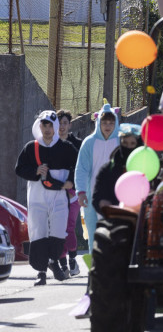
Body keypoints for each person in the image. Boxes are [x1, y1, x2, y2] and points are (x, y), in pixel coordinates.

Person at [15, 111, 78, 285]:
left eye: (51, 125)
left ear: (55, 126)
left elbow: (79, 167)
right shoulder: (30, 147)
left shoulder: (66, 148)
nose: (48, 129)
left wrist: (70, 182)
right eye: (44, 125)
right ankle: (41, 272)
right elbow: (19, 169)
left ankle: (54, 260)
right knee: (38, 232)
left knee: (58, 231)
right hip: (36, 197)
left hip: (58, 196)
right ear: (39, 126)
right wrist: (35, 171)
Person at [74, 104, 121, 252]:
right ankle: (95, 271)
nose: (108, 126)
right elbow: (81, 169)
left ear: (116, 123)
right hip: (91, 197)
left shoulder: (121, 142)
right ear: (98, 123)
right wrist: (81, 192)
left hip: (116, 198)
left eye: (111, 122)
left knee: (113, 235)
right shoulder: (89, 142)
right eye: (105, 122)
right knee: (94, 237)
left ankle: (113, 270)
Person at [90, 124, 144, 211]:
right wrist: (102, 203)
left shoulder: (146, 169)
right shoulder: (107, 170)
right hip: (115, 217)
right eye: (125, 143)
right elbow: (97, 197)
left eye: (132, 144)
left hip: (141, 218)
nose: (128, 147)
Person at [55, 109, 81, 277]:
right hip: (56, 192)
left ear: (70, 125)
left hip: (73, 192)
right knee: (58, 229)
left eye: (65, 123)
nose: (62, 127)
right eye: (59, 123)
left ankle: (72, 259)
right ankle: (63, 263)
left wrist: (73, 188)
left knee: (69, 227)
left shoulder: (77, 144)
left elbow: (81, 168)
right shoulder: (51, 144)